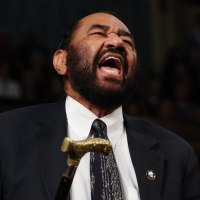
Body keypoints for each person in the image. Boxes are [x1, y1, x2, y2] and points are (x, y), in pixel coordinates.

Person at [0, 12, 200, 200]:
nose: (117, 42)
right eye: (98, 33)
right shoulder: (7, 135)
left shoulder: (177, 154)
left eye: (128, 42)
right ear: (62, 62)